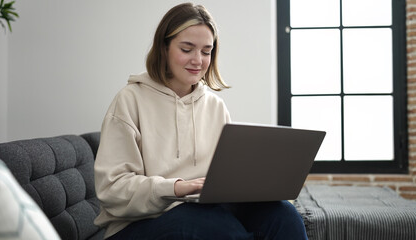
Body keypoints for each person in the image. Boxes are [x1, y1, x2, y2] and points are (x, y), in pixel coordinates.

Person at [94, 2, 308, 240]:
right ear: (163, 48)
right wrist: (175, 188)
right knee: (212, 226)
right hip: (139, 225)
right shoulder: (129, 100)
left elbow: (229, 176)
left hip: (207, 210)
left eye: (206, 51)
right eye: (187, 49)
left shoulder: (215, 106)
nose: (198, 60)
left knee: (283, 215)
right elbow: (112, 190)